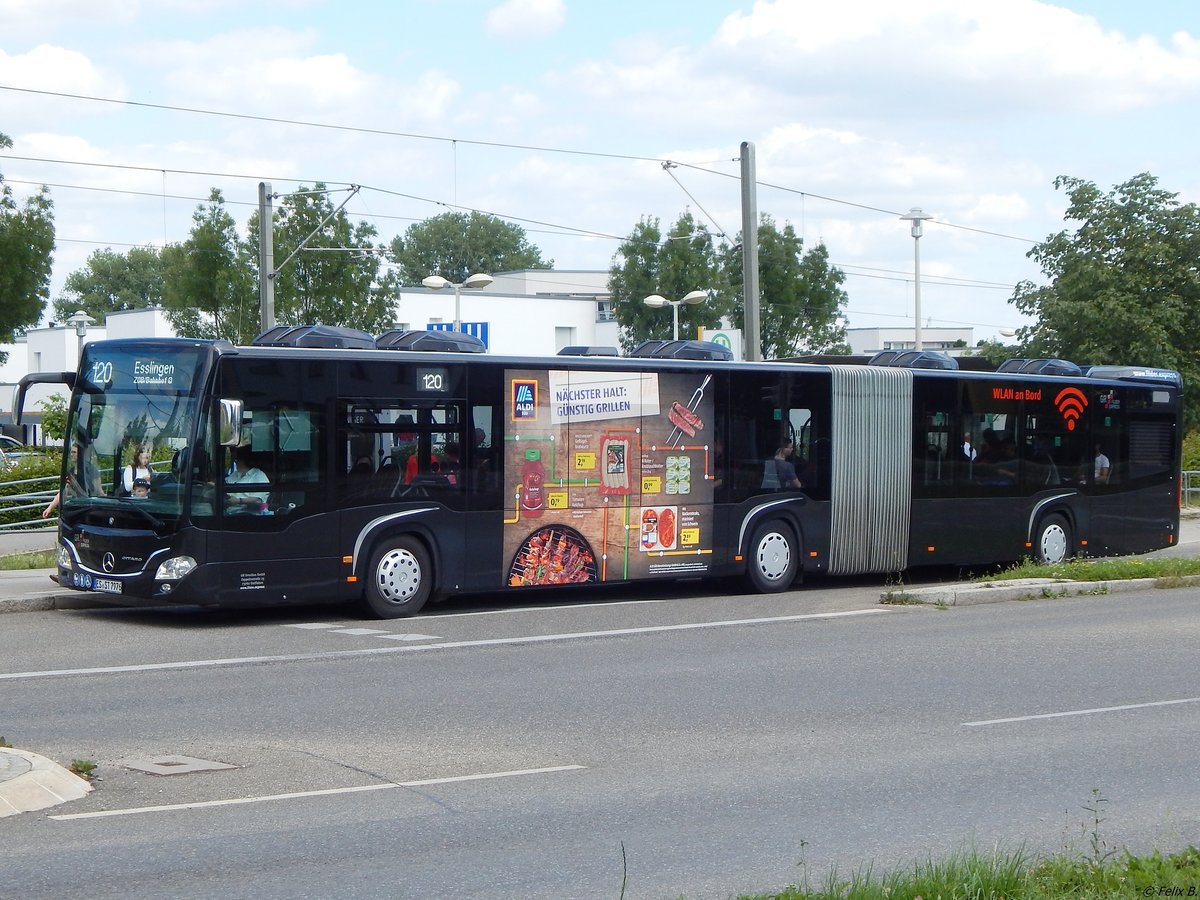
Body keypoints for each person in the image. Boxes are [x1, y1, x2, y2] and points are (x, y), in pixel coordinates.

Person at [226, 445, 270, 513]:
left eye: (237, 460)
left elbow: (257, 500)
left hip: (248, 513)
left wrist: (239, 501)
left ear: (244, 461)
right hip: (229, 510)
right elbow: (225, 485)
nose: (235, 462)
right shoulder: (235, 474)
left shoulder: (259, 475)